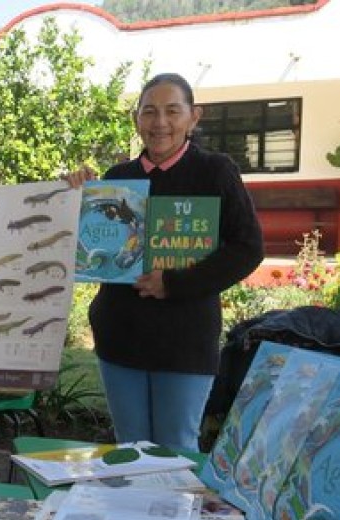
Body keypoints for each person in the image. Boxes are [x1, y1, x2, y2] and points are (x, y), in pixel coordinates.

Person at [68, 73, 263, 452]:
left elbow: (248, 248)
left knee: (175, 450)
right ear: (136, 119)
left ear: (194, 117)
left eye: (173, 111)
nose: (160, 123)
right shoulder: (116, 179)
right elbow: (86, 247)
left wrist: (173, 284)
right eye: (149, 112)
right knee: (130, 450)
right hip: (120, 338)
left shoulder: (215, 171)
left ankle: (176, 515)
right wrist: (74, 196)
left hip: (184, 341)